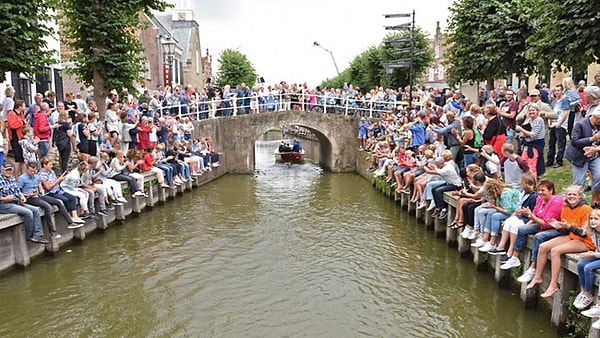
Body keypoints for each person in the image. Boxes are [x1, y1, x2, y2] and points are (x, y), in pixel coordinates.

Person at [525, 185, 593, 298]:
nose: (571, 196)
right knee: (543, 246)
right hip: (571, 236)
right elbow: (565, 229)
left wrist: (568, 226)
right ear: (566, 196)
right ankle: (537, 277)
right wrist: (558, 226)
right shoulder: (565, 208)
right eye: (569, 194)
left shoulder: (586, 210)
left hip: (585, 241)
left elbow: (584, 233)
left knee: (555, 251)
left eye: (574, 194)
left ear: (579, 196)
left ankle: (553, 284)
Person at [498, 179, 563, 273]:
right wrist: (527, 221)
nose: (540, 192)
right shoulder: (540, 199)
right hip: (540, 224)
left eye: (543, 190)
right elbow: (535, 214)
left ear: (551, 190)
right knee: (521, 229)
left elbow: (546, 223)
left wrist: (529, 215)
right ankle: (515, 258)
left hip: (554, 228)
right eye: (539, 190)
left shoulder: (556, 201)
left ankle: (533, 266)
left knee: (538, 237)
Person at [17, 162, 83, 237]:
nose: (33, 173)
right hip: (28, 198)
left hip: (38, 195)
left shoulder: (36, 177)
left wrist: (41, 192)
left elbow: (39, 186)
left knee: (58, 202)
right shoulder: (22, 178)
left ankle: (70, 222)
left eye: (34, 171)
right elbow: (17, 192)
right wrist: (26, 195)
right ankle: (52, 231)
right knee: (47, 206)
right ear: (27, 170)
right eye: (31, 171)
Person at [566, 86, 600, 206]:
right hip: (579, 156)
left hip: (594, 155)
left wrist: (595, 149)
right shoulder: (581, 124)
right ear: (593, 117)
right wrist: (592, 139)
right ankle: (576, 205)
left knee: (599, 176)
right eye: (599, 120)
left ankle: (594, 202)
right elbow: (574, 141)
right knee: (578, 183)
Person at [0, 161, 48, 244]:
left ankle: (38, 234)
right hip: (4, 204)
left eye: (10, 170)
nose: (8, 172)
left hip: (15, 201)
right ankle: (29, 236)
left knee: (35, 210)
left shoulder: (12, 178)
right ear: (2, 170)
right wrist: (4, 198)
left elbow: (18, 191)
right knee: (28, 212)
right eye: (6, 170)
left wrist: (22, 196)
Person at [471, 179, 521, 252]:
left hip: (514, 213)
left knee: (495, 216)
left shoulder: (505, 194)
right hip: (507, 210)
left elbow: (508, 211)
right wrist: (492, 205)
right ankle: (484, 238)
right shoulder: (500, 193)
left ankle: (492, 242)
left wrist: (494, 207)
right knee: (490, 213)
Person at [38, 157, 86, 224]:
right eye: (50, 165)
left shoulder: (52, 172)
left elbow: (55, 182)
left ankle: (75, 216)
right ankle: (69, 217)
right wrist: (59, 180)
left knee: (71, 197)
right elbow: (48, 187)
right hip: (50, 193)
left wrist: (60, 180)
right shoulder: (41, 174)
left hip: (58, 190)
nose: (51, 166)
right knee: (65, 199)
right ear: (44, 165)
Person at [573, 209, 600, 313]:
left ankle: (589, 294)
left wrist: (593, 254)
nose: (592, 221)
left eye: (596, 219)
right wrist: (589, 254)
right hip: (597, 254)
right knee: (580, 263)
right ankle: (583, 291)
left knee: (588, 267)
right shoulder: (594, 232)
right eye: (591, 218)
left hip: (597, 255)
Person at [515, 103, 545, 177]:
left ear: (537, 111)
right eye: (530, 110)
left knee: (532, 166)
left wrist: (521, 129)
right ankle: (526, 181)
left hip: (535, 145)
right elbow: (526, 133)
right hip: (527, 144)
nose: (531, 112)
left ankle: (533, 182)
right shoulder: (529, 120)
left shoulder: (539, 120)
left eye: (533, 110)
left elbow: (533, 135)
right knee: (523, 163)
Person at [546, 84, 571, 168]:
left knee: (560, 143)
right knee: (551, 143)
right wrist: (549, 122)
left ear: (562, 91)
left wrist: (560, 123)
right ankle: (550, 160)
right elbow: (551, 112)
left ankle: (559, 161)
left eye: (558, 90)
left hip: (561, 125)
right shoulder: (553, 101)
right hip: (553, 124)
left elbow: (566, 112)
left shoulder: (565, 100)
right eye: (555, 90)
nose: (556, 92)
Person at [7, 100, 27, 177]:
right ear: (19, 107)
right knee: (18, 158)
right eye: (24, 106)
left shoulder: (21, 114)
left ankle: (23, 175)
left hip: (22, 137)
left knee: (23, 158)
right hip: (15, 138)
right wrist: (21, 122)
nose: (25, 108)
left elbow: (24, 122)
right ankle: (16, 176)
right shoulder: (11, 114)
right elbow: (12, 125)